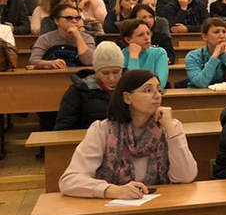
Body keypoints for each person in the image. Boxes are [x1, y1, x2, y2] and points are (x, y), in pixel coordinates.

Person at [58, 69, 198, 198]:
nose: (157, 96)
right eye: (148, 90)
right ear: (127, 98)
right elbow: (69, 180)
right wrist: (112, 190)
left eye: (159, 90)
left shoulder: (170, 127)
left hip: (160, 203)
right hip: (111, 208)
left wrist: (171, 129)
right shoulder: (103, 130)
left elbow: (186, 177)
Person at [54, 41, 124, 131]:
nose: (111, 78)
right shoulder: (78, 91)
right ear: (96, 72)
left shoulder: (129, 88)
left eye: (116, 72)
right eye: (105, 73)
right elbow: (63, 127)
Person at [29, 2, 95, 68]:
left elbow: (89, 61)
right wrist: (50, 63)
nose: (74, 21)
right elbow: (33, 60)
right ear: (56, 21)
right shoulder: (45, 39)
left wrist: (78, 36)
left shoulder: (87, 38)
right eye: (69, 18)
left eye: (77, 18)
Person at [185, 17, 226, 88]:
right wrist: (214, 57)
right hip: (199, 94)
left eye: (224, 32)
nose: (222, 36)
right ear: (205, 37)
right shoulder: (193, 56)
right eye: (216, 32)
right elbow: (201, 83)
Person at [120, 18, 170, 88]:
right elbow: (132, 84)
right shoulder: (121, 55)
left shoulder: (159, 53)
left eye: (148, 33)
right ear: (128, 40)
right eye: (141, 35)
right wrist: (134, 56)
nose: (147, 38)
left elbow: (160, 84)